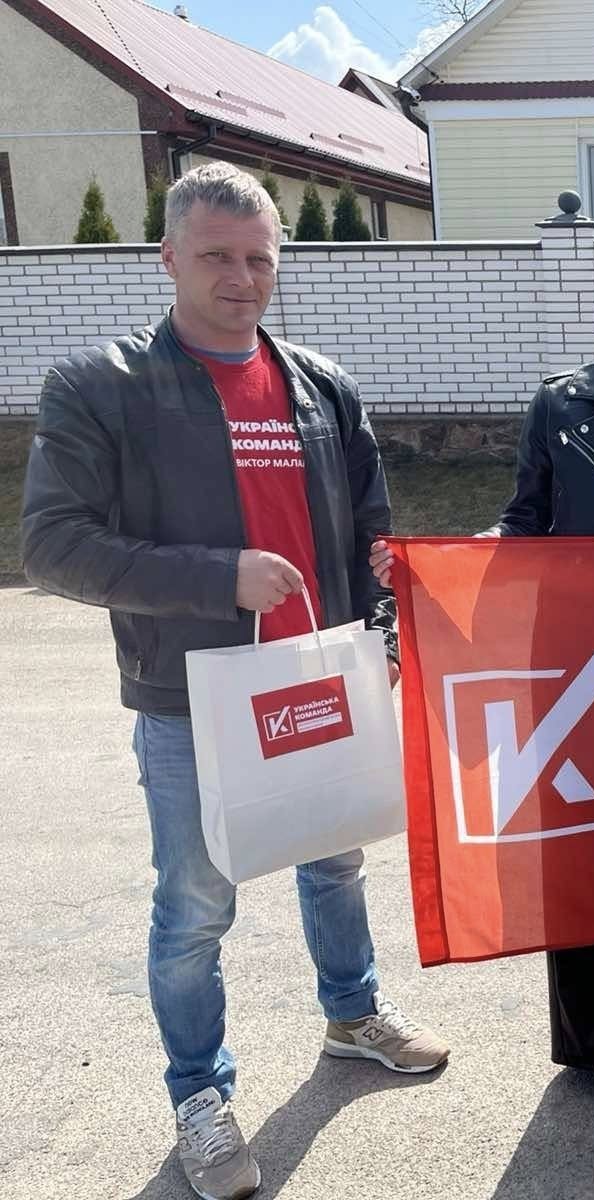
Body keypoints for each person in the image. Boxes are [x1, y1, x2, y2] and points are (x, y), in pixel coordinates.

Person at [20, 161, 447, 1200]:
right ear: (167, 256)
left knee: (335, 863)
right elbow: (52, 547)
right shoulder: (102, 385)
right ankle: (200, 1096)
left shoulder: (321, 385)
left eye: (259, 259)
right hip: (192, 701)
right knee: (195, 908)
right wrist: (221, 577)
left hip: (320, 677)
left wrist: (386, 623)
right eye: (216, 255)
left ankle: (352, 1013)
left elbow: (372, 531)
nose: (241, 278)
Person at [371, 242, 594, 1122]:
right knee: (588, 843)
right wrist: (449, 561)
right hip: (574, 663)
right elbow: (525, 520)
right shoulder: (558, 404)